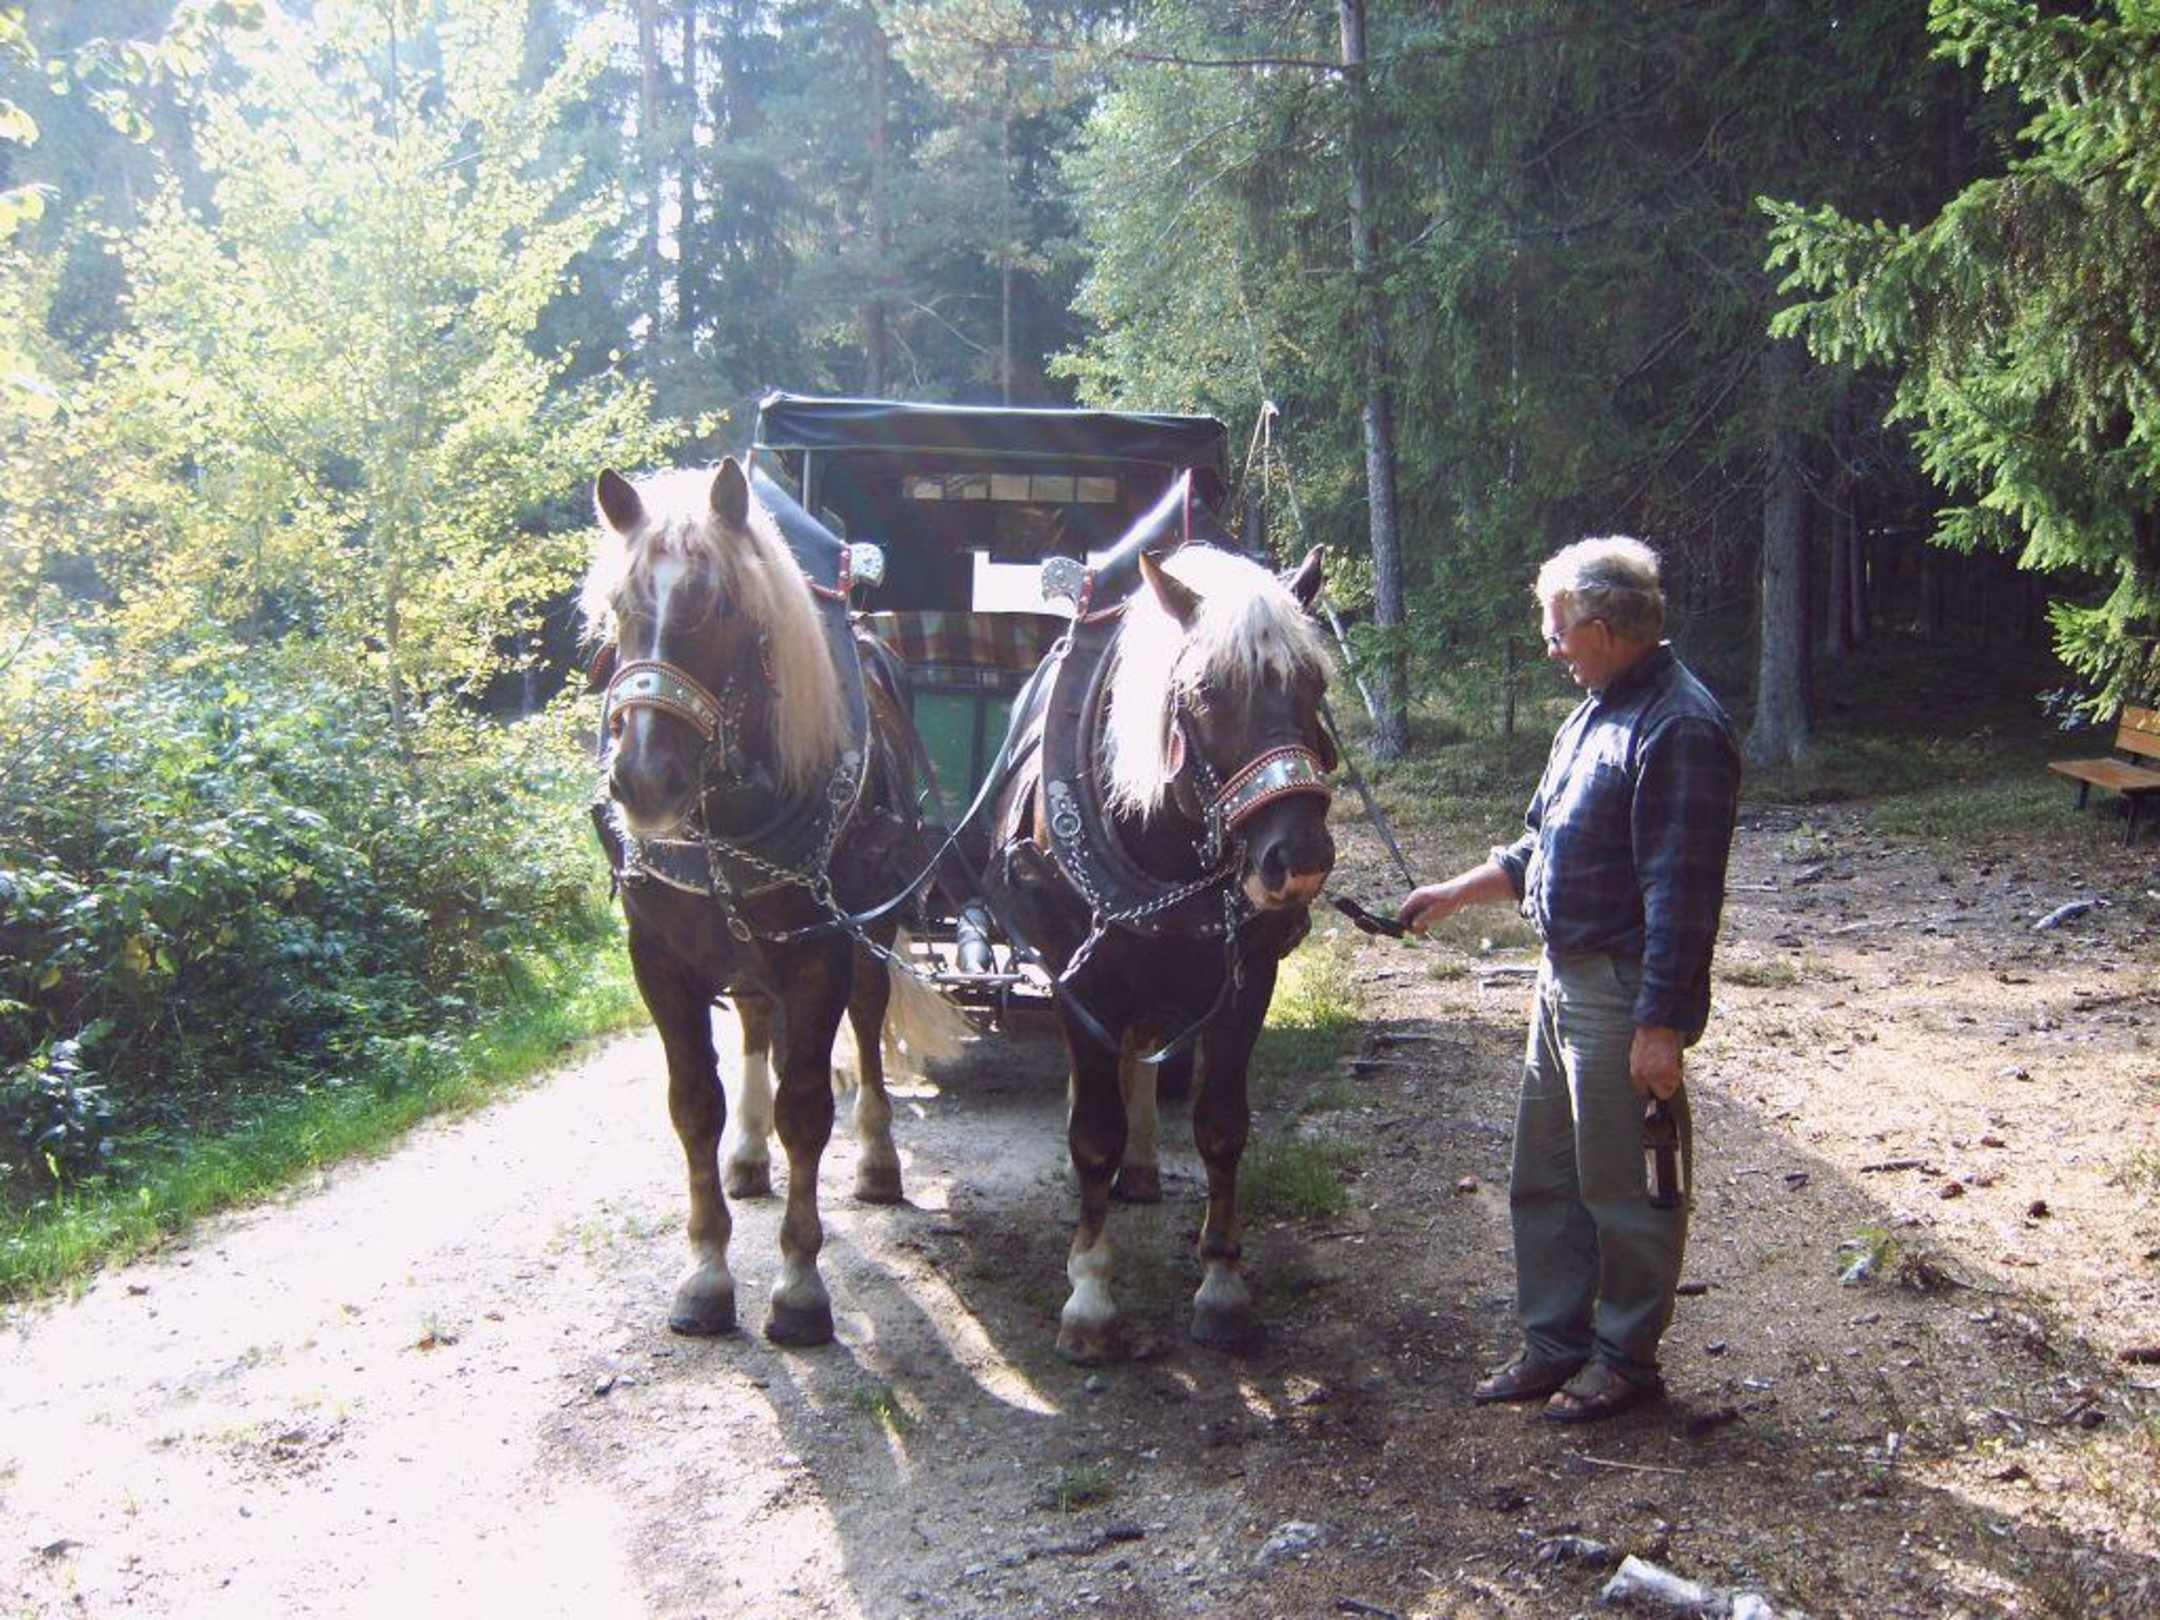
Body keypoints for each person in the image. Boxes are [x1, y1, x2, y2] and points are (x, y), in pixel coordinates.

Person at [1398, 536, 1740, 1423]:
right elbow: (1541, 847)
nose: (1551, 650)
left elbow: (1683, 896)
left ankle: (1625, 1360)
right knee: (1546, 1177)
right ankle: (1554, 1343)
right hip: (1560, 980)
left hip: (1621, 990)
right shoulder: (1595, 713)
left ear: (1602, 626)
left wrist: (1660, 1026)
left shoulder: (1680, 727)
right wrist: (1454, 893)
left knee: (1626, 1188)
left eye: (1557, 633)